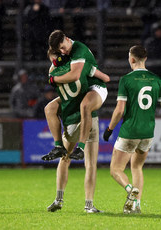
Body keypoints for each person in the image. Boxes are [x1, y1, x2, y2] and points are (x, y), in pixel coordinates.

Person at [103, 45, 161, 214]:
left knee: (115, 169)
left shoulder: (126, 80)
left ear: (132, 59)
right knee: (136, 167)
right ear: (146, 59)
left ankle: (130, 189)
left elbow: (120, 110)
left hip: (130, 131)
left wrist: (109, 129)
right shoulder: (156, 79)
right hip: (148, 133)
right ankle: (136, 205)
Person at [43, 50, 109, 213]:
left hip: (72, 117)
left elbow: (59, 101)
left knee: (65, 159)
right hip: (88, 117)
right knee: (90, 164)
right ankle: (88, 205)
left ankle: (59, 199)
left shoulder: (53, 72)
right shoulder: (79, 64)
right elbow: (104, 78)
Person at [42, 30, 109, 161]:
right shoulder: (65, 57)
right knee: (49, 108)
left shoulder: (78, 50)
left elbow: (75, 76)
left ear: (67, 39)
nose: (63, 52)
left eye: (63, 47)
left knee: (85, 105)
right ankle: (58, 146)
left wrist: (53, 79)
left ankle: (81, 148)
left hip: (94, 87)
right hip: (79, 90)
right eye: (59, 50)